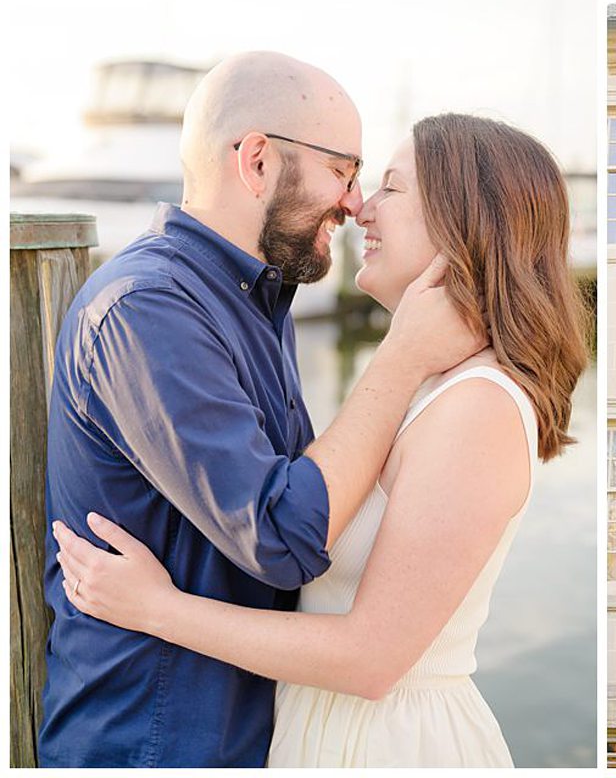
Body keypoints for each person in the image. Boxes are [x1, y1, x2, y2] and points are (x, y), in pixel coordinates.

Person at [53, 112, 588, 768]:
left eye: (389, 187)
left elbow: (370, 658)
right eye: (352, 177)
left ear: (463, 219)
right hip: (330, 731)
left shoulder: (477, 406)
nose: (361, 206)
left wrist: (158, 609)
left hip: (386, 744)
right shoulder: (427, 383)